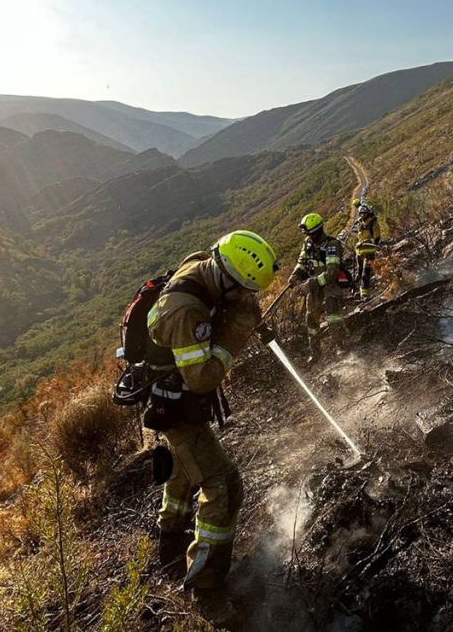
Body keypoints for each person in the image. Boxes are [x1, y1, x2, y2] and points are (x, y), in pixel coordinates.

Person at [146, 230, 278, 625]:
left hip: (179, 398)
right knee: (223, 485)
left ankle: (170, 535)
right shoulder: (184, 311)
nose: (243, 299)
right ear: (226, 277)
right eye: (241, 291)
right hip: (175, 406)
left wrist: (241, 305)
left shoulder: (205, 264)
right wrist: (235, 333)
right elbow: (203, 378)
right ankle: (207, 588)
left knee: (189, 467)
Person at [289, 213, 347, 358]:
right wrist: (295, 274)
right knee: (311, 318)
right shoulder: (307, 243)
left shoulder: (332, 245)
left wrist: (312, 283)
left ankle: (340, 345)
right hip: (314, 286)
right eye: (307, 234)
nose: (309, 236)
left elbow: (332, 272)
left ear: (318, 230)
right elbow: (302, 261)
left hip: (330, 284)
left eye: (311, 233)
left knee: (332, 312)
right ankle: (315, 351)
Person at [353, 202, 381, 300]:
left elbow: (377, 239)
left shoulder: (373, 224)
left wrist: (366, 242)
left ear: (369, 213)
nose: (362, 215)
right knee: (359, 273)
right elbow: (359, 237)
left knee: (365, 273)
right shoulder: (361, 224)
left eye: (364, 213)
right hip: (360, 253)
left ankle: (364, 294)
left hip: (369, 253)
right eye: (361, 214)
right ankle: (360, 292)